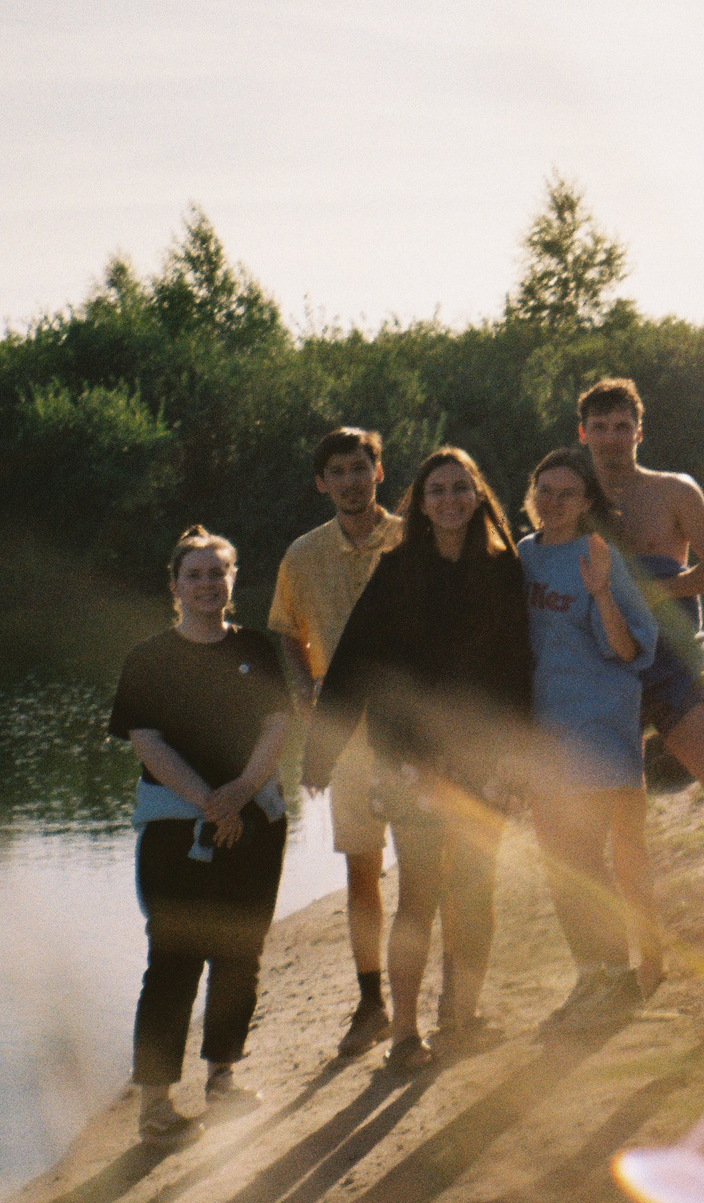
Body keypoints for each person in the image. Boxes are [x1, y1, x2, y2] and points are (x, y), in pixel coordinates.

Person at [309, 446, 532, 1073]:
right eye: (438, 490)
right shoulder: (397, 569)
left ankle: (460, 1018)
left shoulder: (502, 570)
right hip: (411, 761)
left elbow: (519, 673)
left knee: (478, 892)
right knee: (419, 895)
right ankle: (405, 1034)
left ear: (478, 495)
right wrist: (321, 753)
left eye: (461, 487)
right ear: (420, 501)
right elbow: (354, 660)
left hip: (484, 761)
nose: (450, 499)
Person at [110, 526, 291, 1147]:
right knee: (173, 957)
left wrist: (240, 793)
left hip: (255, 817)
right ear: (175, 586)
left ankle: (223, 1077)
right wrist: (209, 802)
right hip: (174, 827)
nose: (208, 585)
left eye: (218, 573)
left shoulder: (258, 650)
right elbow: (147, 742)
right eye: (195, 575)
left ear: (233, 581)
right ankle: (156, 1102)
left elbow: (276, 727)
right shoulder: (148, 659)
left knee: (241, 949)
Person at [576, 379, 704, 931]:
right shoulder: (570, 498)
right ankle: (636, 939)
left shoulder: (674, 492)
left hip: (675, 670)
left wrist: (660, 590)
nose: (612, 439)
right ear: (582, 433)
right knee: (614, 823)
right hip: (608, 677)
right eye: (601, 428)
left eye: (622, 427)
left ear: (640, 431)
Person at [267, 426, 401, 1058]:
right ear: (322, 483)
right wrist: (303, 697)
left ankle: (451, 997)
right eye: (337, 472)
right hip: (345, 733)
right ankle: (372, 999)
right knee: (361, 868)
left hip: (411, 726)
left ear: (379, 471)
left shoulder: (410, 539)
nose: (350, 481)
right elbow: (287, 632)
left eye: (360, 468)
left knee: (436, 861)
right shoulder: (301, 555)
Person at [518, 447, 665, 1014]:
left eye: (567, 494)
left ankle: (617, 969)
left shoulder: (598, 555)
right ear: (531, 496)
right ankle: (593, 970)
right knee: (559, 857)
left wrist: (602, 591)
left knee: (587, 854)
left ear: (585, 503)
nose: (553, 503)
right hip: (543, 729)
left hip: (599, 720)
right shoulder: (523, 555)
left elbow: (630, 649)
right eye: (544, 491)